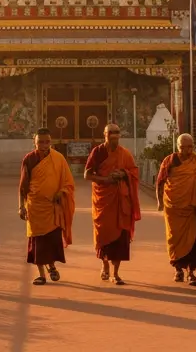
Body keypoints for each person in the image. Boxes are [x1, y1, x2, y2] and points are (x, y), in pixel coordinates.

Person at [156, 133, 196, 286]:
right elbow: (160, 182)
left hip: (192, 208)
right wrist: (159, 202)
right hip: (173, 207)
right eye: (183, 147)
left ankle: (191, 272)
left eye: (190, 147)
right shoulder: (169, 161)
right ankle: (178, 270)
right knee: (174, 238)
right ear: (178, 147)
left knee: (195, 240)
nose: (187, 150)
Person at [83, 122, 140, 285]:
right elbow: (87, 175)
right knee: (103, 235)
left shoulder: (125, 154)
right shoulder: (98, 152)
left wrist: (123, 173)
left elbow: (134, 172)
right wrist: (105, 180)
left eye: (117, 132)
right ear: (105, 135)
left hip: (121, 201)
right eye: (111, 132)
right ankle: (105, 265)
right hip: (103, 200)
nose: (114, 135)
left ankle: (116, 273)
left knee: (121, 236)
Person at [19, 128, 76, 285]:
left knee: (51, 240)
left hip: (52, 207)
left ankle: (51, 266)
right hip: (35, 206)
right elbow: (23, 187)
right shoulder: (29, 159)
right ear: (34, 142)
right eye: (40, 142)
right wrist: (21, 207)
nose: (44, 145)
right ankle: (41, 274)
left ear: (51, 142)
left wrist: (61, 192)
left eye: (47, 142)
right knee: (37, 242)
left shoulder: (58, 159)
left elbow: (68, 183)